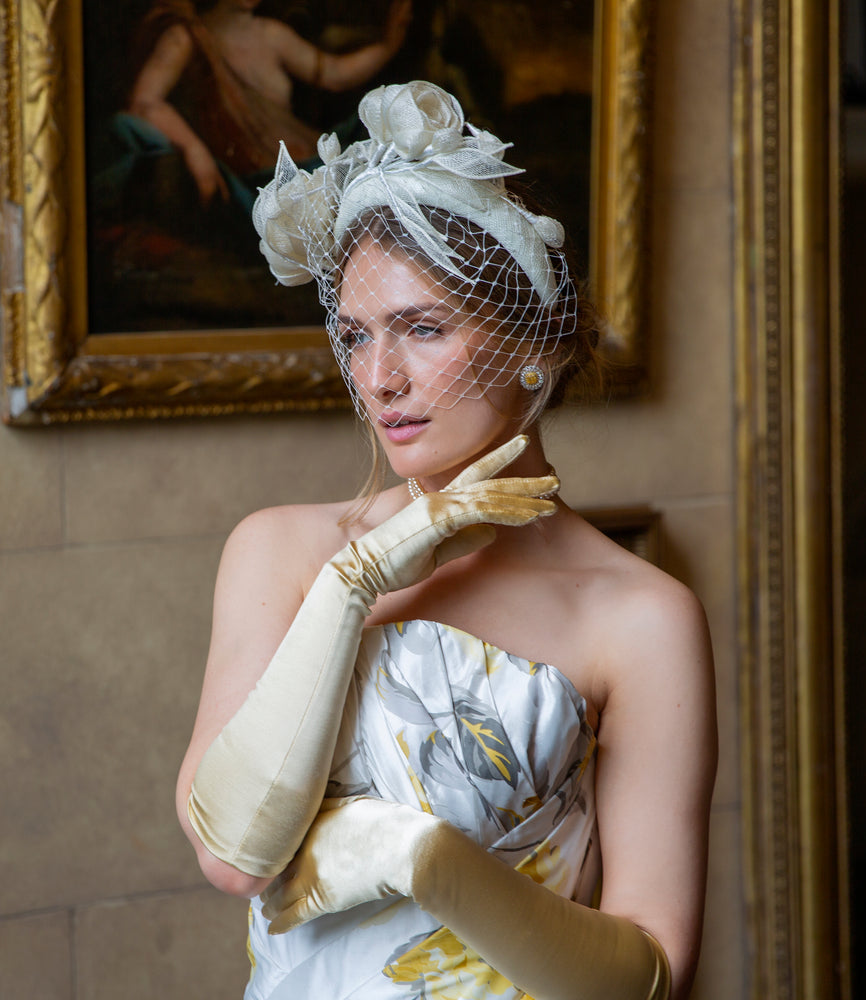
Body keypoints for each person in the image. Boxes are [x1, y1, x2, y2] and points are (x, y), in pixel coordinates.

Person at [176, 80, 717, 1000]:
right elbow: (233, 859)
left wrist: (421, 857)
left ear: (532, 340)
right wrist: (354, 582)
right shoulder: (278, 552)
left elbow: (649, 977)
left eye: (422, 329)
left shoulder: (641, 617)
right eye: (354, 336)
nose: (380, 377)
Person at [125, 0, 414, 207]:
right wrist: (194, 149)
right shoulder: (187, 37)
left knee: (389, 118)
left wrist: (388, 47)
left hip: (311, 167)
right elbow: (145, 102)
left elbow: (334, 75)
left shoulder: (270, 34)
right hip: (260, 183)